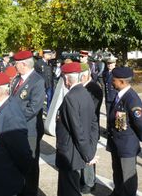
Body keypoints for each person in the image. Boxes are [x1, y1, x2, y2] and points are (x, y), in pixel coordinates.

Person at [56, 62, 99, 196]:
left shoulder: (70, 98)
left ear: (67, 79)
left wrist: (88, 155)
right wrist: (91, 150)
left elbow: (77, 130)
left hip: (70, 153)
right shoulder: (86, 93)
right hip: (76, 152)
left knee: (68, 190)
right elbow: (94, 125)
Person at [11, 50, 45, 196]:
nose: (14, 66)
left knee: (30, 166)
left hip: (29, 130)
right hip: (17, 129)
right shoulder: (17, 79)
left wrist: (13, 119)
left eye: (16, 64)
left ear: (23, 64)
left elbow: (33, 108)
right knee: (18, 163)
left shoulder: (37, 81)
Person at [106, 67, 142, 196]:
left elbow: (140, 123)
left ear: (121, 82)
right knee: (118, 174)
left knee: (128, 179)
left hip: (126, 147)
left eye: (114, 80)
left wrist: (135, 141)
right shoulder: (119, 95)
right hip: (117, 144)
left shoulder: (131, 98)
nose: (112, 82)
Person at [79, 63, 103, 194]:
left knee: (90, 155)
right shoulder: (83, 87)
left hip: (91, 128)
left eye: (80, 75)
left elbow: (91, 109)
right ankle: (84, 179)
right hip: (84, 127)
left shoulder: (94, 88)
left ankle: (89, 182)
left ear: (86, 74)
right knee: (84, 154)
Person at [103, 56, 118, 120]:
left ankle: (115, 129)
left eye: (111, 63)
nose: (109, 65)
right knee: (108, 114)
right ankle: (109, 129)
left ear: (115, 64)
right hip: (108, 96)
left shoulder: (117, 73)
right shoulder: (106, 73)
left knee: (115, 114)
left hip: (115, 97)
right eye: (108, 63)